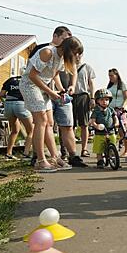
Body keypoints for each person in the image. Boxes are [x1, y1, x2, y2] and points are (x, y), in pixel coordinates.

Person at [20, 36, 83, 172]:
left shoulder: (61, 58)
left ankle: (55, 157)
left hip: (43, 86)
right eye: (75, 53)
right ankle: (40, 160)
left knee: (49, 122)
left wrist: (61, 89)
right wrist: (50, 92)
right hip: (30, 86)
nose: (76, 56)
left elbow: (53, 74)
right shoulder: (48, 52)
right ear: (67, 49)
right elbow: (32, 75)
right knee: (41, 121)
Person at [1, 75, 33, 159]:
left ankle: (8, 153)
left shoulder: (11, 79)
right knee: (31, 130)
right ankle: (26, 153)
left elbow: (2, 94)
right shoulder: (28, 79)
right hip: (21, 104)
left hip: (8, 104)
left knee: (14, 130)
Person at [89, 89, 119, 168]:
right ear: (97, 101)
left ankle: (115, 159)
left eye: (106, 100)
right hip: (100, 132)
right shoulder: (96, 111)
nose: (104, 102)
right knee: (99, 148)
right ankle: (100, 161)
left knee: (113, 144)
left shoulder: (111, 110)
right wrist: (96, 125)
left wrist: (116, 123)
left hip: (110, 130)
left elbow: (115, 117)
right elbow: (92, 121)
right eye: (102, 100)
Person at [72, 61, 96, 157]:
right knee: (71, 125)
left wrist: (92, 97)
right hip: (71, 96)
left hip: (83, 96)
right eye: (75, 54)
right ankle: (71, 150)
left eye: (79, 54)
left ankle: (84, 149)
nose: (77, 56)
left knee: (84, 124)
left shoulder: (87, 67)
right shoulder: (67, 65)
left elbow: (91, 83)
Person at [107, 68, 127, 156]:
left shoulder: (123, 85)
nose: (110, 77)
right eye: (109, 76)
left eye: (112, 75)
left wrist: (123, 106)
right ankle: (111, 150)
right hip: (111, 110)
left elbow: (126, 97)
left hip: (120, 110)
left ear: (117, 75)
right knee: (111, 130)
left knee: (122, 130)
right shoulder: (110, 86)